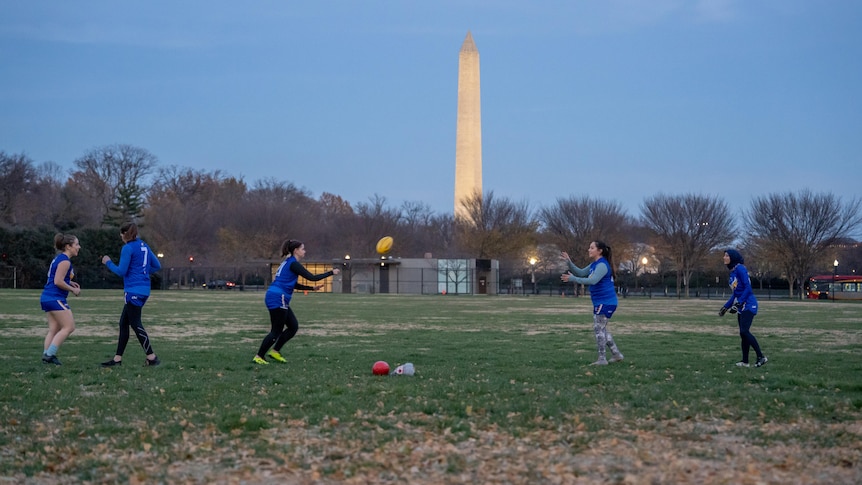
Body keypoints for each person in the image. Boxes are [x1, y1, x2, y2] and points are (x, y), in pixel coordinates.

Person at [253, 239, 340, 365]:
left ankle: (275, 351)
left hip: (276, 295)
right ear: (296, 251)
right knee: (276, 330)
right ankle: (259, 356)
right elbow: (312, 277)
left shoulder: (289, 263)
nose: (305, 251)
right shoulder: (293, 264)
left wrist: (311, 288)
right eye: (302, 249)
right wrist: (331, 272)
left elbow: (292, 283)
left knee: (293, 326)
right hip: (278, 297)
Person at [100, 222, 162, 367]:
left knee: (135, 323)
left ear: (125, 234)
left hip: (134, 290)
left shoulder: (127, 248)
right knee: (123, 323)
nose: (120, 237)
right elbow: (157, 265)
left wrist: (108, 262)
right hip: (144, 289)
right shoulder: (144, 245)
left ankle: (152, 357)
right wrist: (143, 272)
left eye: (121, 234)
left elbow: (121, 271)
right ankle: (117, 359)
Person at [561, 241, 625, 366]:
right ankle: (616, 354)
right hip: (601, 302)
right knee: (602, 329)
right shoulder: (594, 264)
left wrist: (573, 279)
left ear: (599, 251)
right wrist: (569, 261)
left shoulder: (602, 265)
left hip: (605, 302)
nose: (589, 250)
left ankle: (602, 359)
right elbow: (580, 272)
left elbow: (593, 281)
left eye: (592, 248)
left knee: (598, 329)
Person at [719, 249, 767, 368]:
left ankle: (761, 357)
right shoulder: (733, 272)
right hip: (742, 305)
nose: (724, 258)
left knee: (744, 331)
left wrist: (739, 303)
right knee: (743, 334)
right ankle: (745, 362)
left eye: (726, 256)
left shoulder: (740, 268)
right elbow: (736, 293)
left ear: (733, 258)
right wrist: (726, 307)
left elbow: (748, 289)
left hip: (749, 304)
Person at [39, 233, 82, 365]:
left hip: (47, 297)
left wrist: (70, 282)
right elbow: (58, 281)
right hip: (54, 297)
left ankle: (46, 356)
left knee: (54, 329)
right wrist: (72, 289)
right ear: (68, 247)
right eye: (76, 244)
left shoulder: (60, 258)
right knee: (69, 327)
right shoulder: (64, 261)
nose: (79, 247)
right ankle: (50, 355)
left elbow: (58, 278)